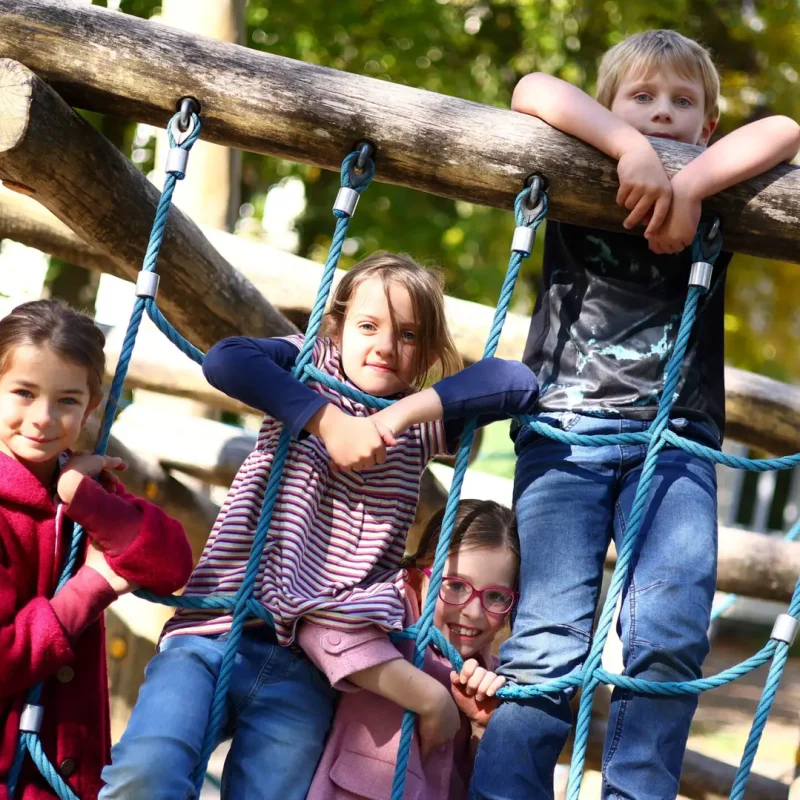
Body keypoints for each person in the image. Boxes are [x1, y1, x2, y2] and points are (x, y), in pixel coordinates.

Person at [469, 29, 800, 800]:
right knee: (549, 640)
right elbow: (531, 87)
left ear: (707, 126)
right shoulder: (588, 160)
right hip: (566, 437)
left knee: (671, 636)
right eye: (640, 98)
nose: (662, 113)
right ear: (607, 106)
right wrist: (628, 151)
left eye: (683, 103)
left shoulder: (721, 183)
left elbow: (786, 128)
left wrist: (689, 184)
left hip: (675, 444)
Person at [100, 251, 539, 800]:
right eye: (368, 326)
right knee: (148, 774)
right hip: (216, 631)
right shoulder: (305, 368)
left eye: (407, 335)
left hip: (312, 668)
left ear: (425, 352)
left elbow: (516, 381)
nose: (384, 346)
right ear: (337, 327)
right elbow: (224, 360)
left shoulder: (419, 427)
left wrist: (396, 416)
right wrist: (326, 420)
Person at [0, 299, 193, 800]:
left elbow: (171, 565)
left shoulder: (86, 486)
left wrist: (82, 496)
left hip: (65, 772)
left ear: (90, 407)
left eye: (66, 400)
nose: (43, 418)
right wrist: (90, 587)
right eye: (23, 392)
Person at [302, 498, 519, 800]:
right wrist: (431, 699)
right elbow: (320, 627)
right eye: (455, 585)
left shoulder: (494, 679)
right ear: (418, 575)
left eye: (496, 596)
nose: (473, 611)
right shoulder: (390, 616)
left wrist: (483, 728)